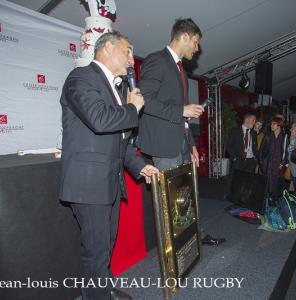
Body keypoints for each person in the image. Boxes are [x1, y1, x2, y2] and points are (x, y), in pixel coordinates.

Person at [59, 32, 159, 300]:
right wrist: (132, 109)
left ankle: (105, 289)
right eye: (127, 51)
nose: (130, 59)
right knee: (95, 250)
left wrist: (140, 167)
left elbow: (121, 143)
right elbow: (100, 120)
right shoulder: (80, 78)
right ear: (108, 48)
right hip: (88, 185)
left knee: (105, 245)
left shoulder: (117, 89)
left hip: (109, 183)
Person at [138, 18, 224, 246]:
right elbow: (144, 99)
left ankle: (195, 236)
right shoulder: (157, 61)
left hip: (181, 143)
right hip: (164, 146)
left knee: (186, 195)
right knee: (171, 200)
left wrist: (192, 145)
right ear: (184, 37)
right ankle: (176, 252)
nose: (197, 49)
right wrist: (181, 109)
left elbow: (182, 117)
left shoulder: (180, 69)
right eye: (195, 43)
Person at [259, 117, 289, 198]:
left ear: (279, 125)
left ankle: (275, 200)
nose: (271, 125)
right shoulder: (268, 136)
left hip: (279, 165)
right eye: (271, 123)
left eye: (273, 124)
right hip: (268, 164)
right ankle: (268, 199)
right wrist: (262, 163)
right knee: (267, 184)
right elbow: (261, 151)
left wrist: (283, 163)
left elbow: (287, 151)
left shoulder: (285, 137)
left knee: (277, 184)